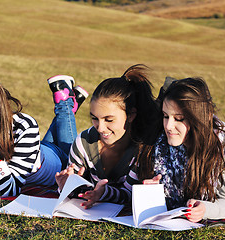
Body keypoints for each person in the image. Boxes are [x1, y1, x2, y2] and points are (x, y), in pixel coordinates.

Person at [131, 77, 225, 222]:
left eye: (179, 119)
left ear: (197, 119)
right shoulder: (161, 141)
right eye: (166, 116)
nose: (168, 126)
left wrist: (205, 209)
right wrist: (152, 193)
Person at [55, 64, 160, 208]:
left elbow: (130, 195)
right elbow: (76, 192)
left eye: (109, 120)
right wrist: (66, 186)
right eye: (95, 118)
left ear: (131, 115)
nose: (100, 128)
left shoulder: (142, 148)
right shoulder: (83, 142)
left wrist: (103, 193)